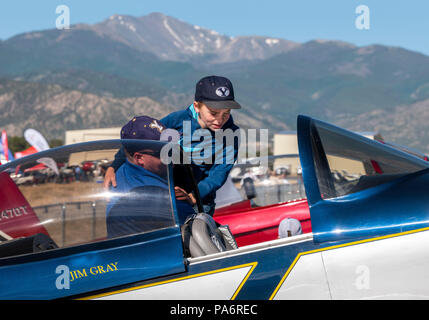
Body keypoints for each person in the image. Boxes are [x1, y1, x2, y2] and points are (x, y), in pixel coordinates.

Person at [104, 75, 242, 216]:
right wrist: (114, 166)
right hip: (167, 191)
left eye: (226, 113)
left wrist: (194, 195)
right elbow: (140, 139)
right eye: (213, 113)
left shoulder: (231, 133)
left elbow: (219, 173)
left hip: (199, 200)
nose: (220, 120)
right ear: (197, 106)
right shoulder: (177, 120)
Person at [106, 116, 195, 238]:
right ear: (139, 158)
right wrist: (187, 202)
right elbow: (195, 228)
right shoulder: (160, 199)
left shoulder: (122, 172)